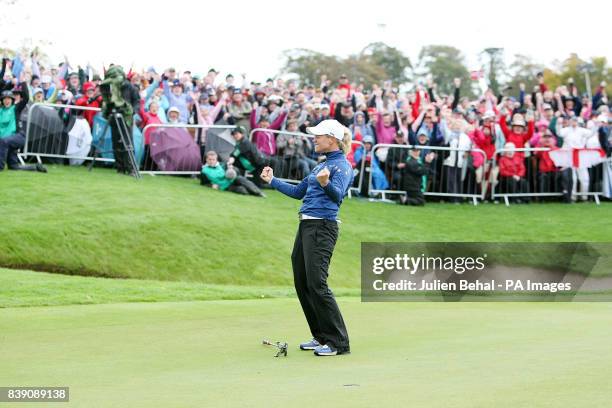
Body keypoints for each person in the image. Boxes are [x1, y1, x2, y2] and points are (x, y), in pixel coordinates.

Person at [260, 119, 353, 357]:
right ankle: (320, 336)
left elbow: (337, 196)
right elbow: (298, 192)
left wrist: (326, 184)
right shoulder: (320, 165)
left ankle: (338, 342)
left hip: (323, 227)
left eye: (318, 136)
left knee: (317, 283)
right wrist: (273, 181)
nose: (314, 139)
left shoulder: (341, 166)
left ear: (331, 139)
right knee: (303, 282)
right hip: (306, 225)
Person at [200, 150, 265, 197]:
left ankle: (258, 192)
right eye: (210, 159)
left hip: (233, 179)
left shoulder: (223, 165)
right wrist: (211, 186)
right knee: (243, 191)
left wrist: (232, 169)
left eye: (213, 159)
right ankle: (253, 193)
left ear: (216, 160)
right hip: (225, 186)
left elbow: (236, 172)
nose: (211, 161)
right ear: (206, 160)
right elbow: (204, 183)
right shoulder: (204, 171)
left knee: (241, 179)